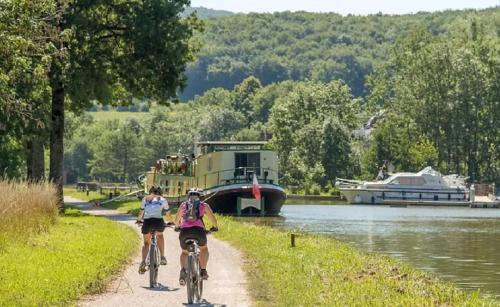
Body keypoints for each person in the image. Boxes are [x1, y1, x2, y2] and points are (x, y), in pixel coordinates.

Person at [174, 187, 218, 285]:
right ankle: (203, 270)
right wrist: (214, 227)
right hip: (199, 231)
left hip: (184, 232)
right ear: (200, 196)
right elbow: (213, 219)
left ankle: (183, 271)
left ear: (188, 196)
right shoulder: (204, 205)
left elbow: (177, 221)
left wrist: (177, 227)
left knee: (184, 252)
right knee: (203, 249)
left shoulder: (183, 205)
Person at [137, 186, 170, 274]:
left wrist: (139, 220)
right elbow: (167, 213)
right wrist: (171, 222)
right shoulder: (162, 199)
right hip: (158, 221)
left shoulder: (145, 199)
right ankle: (162, 257)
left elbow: (141, 212)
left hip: (147, 222)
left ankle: (143, 261)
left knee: (146, 243)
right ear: (160, 193)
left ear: (150, 192)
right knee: (160, 235)